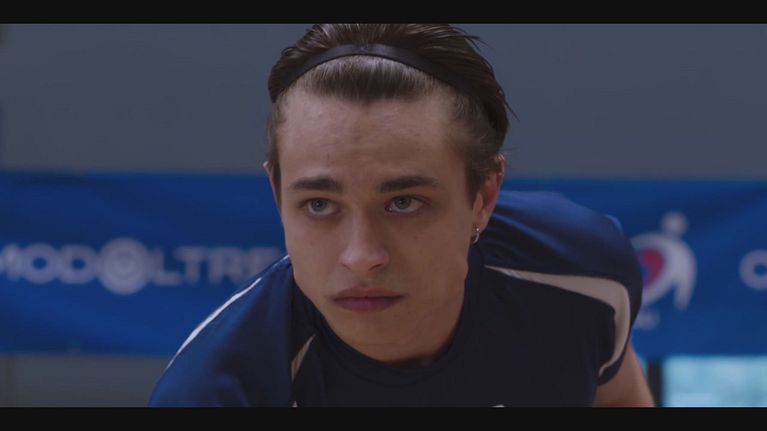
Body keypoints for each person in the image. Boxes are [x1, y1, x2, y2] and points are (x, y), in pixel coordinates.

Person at [148, 24, 655, 407]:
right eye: (319, 205)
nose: (361, 257)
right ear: (278, 195)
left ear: (483, 195)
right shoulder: (217, 391)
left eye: (404, 202)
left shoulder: (583, 275)